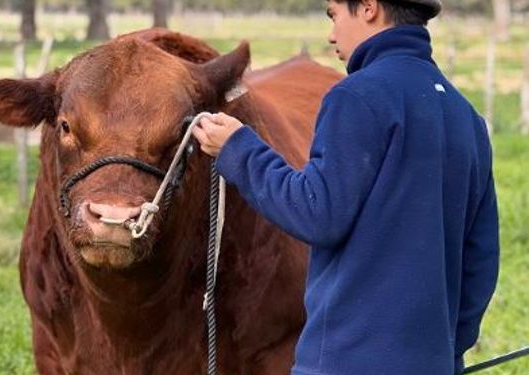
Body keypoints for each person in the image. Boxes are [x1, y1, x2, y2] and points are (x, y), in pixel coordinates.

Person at [191, 0, 500, 374]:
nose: (331, 34)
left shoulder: (356, 97)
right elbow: (481, 259)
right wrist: (444, 350)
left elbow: (316, 212)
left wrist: (239, 149)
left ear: (369, 7)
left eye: (333, 14)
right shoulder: (464, 115)